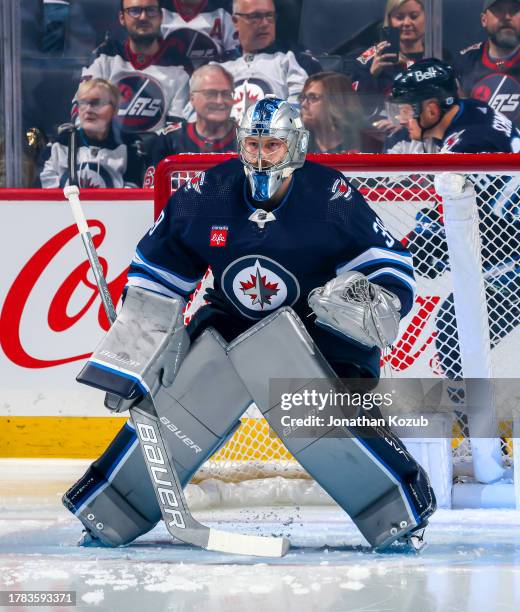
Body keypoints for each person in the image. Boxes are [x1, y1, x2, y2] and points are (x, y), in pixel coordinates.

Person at [63, 97, 435, 551]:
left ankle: (398, 516)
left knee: (328, 424)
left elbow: (388, 266)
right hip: (231, 318)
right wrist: (138, 346)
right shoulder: (208, 193)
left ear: (295, 147)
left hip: (319, 327)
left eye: (273, 146)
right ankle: (109, 510)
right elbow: (156, 272)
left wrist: (372, 300)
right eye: (253, 145)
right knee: (177, 406)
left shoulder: (329, 196)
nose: (261, 157)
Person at [390, 58, 520, 379]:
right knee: (456, 327)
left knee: (453, 331)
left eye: (408, 110)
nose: (402, 119)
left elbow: (446, 226)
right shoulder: (475, 112)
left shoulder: (463, 147)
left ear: (432, 110)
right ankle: (479, 427)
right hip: (511, 246)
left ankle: (478, 429)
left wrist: (396, 256)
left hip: (514, 255)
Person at [81, 0, 191, 135]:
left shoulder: (179, 65)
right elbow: (83, 110)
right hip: (108, 151)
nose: (143, 17)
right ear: (122, 18)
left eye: (151, 10)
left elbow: (176, 130)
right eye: (135, 11)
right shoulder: (104, 56)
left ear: (161, 16)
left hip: (157, 153)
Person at [218, 0, 321, 121]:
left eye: (269, 15)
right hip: (225, 137)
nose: (265, 23)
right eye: (255, 16)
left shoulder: (299, 60)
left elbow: (305, 115)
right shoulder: (220, 64)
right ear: (235, 21)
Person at [37, 78, 145, 188]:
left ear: (115, 109)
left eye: (97, 103)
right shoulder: (60, 143)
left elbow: (132, 194)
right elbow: (45, 193)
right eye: (83, 103)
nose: (88, 109)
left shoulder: (129, 146)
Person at [151, 64, 237, 170]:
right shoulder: (170, 139)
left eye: (226, 94)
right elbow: (153, 185)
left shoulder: (250, 140)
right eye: (211, 93)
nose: (220, 101)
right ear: (192, 98)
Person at [351, 0, 426, 121]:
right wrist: (371, 75)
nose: (407, 23)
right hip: (377, 129)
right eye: (399, 17)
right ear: (389, 19)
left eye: (414, 16)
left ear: (425, 18)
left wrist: (409, 65)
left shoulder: (437, 52)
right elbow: (351, 103)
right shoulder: (369, 54)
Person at [455, 0, 520, 126]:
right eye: (498, 10)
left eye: (514, 10)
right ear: (484, 20)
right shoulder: (466, 62)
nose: (507, 17)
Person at [299, 72, 363, 154]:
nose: (303, 104)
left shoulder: (367, 146)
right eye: (302, 98)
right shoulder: (296, 147)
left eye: (312, 97)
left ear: (336, 102)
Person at [160, 0, 239, 66]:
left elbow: (234, 56)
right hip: (165, 79)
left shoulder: (225, 9)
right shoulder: (157, 8)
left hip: (213, 79)